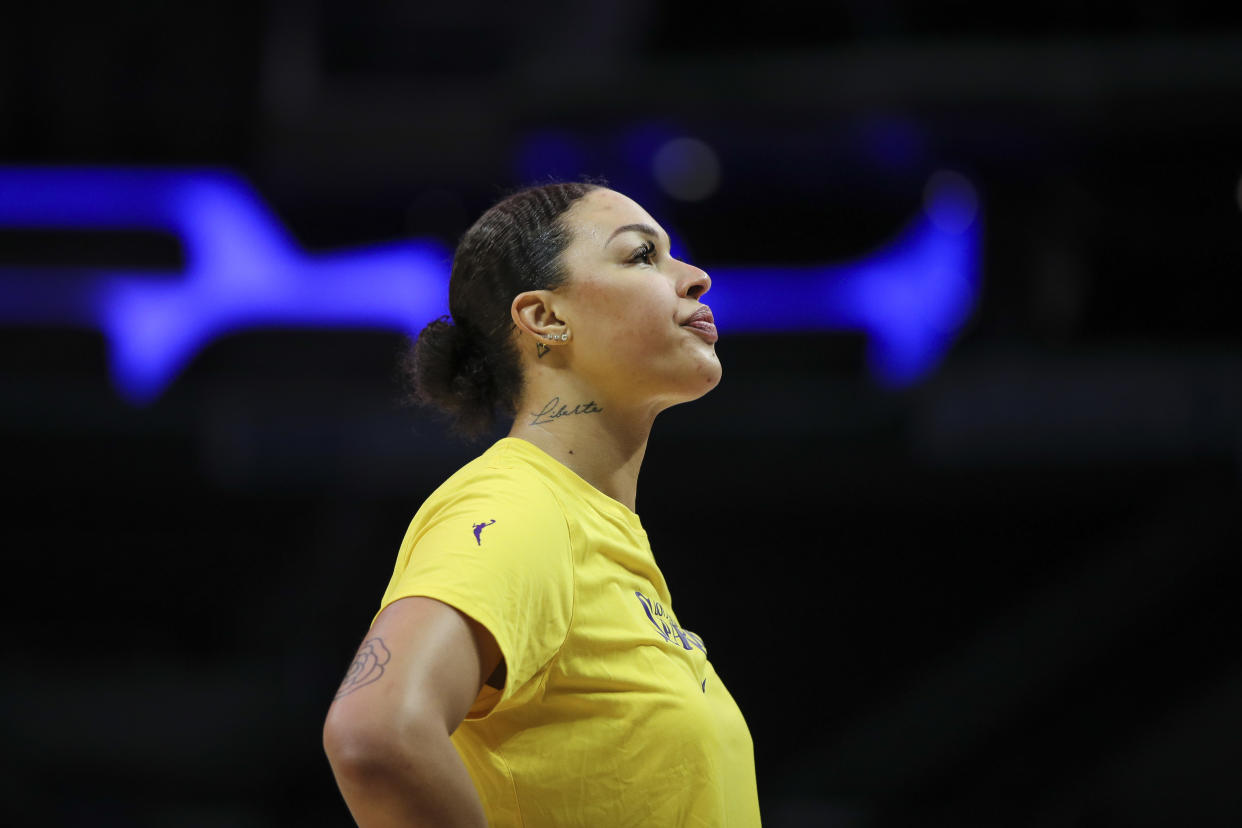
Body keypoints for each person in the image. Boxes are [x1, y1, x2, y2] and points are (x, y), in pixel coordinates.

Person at [322, 181, 761, 827]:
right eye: (642, 256)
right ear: (545, 318)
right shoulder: (519, 503)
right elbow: (374, 733)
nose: (696, 277)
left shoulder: (595, 531)